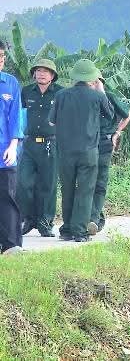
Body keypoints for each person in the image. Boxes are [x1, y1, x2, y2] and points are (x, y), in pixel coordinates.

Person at [49, 59, 114, 242]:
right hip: (88, 151)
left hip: (65, 151)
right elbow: (110, 116)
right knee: (85, 190)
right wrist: (100, 90)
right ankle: (80, 232)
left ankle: (67, 229)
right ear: (92, 78)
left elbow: (51, 121)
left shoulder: (61, 95)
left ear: (74, 76)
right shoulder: (97, 96)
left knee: (68, 189)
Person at [18, 57, 62, 238]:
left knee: (48, 185)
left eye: (45, 71)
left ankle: (45, 222)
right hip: (28, 144)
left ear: (52, 75)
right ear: (34, 73)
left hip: (51, 144)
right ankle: (28, 219)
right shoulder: (26, 91)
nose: (41, 73)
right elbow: (19, 115)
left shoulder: (61, 93)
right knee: (23, 183)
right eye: (38, 70)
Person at [91, 75, 130, 235]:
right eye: (91, 82)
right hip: (87, 144)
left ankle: (94, 219)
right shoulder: (84, 98)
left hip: (105, 142)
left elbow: (127, 114)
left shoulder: (110, 97)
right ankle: (95, 217)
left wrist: (117, 133)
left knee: (99, 181)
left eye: (96, 82)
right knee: (87, 181)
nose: (93, 84)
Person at [0, 41, 24, 255]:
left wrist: (13, 145)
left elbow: (15, 116)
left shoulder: (10, 83)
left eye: (1, 57)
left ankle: (10, 244)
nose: (0, 61)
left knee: (7, 196)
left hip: (5, 152)